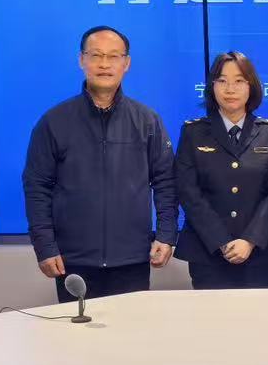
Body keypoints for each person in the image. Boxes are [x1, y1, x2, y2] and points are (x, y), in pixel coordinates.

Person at [21, 25, 176, 300]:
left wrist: (166, 234)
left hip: (132, 259)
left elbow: (166, 181)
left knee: (130, 328)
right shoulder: (54, 121)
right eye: (96, 55)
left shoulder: (147, 120)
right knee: (78, 328)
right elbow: (37, 187)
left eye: (113, 56)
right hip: (73, 261)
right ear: (82, 60)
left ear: (126, 63)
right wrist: (45, 246)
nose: (104, 64)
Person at [173, 51, 268, 290]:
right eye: (222, 81)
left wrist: (250, 240)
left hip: (260, 253)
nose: (230, 89)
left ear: (251, 86)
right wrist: (221, 240)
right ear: (212, 87)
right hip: (207, 252)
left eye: (239, 81)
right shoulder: (193, 133)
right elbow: (188, 192)